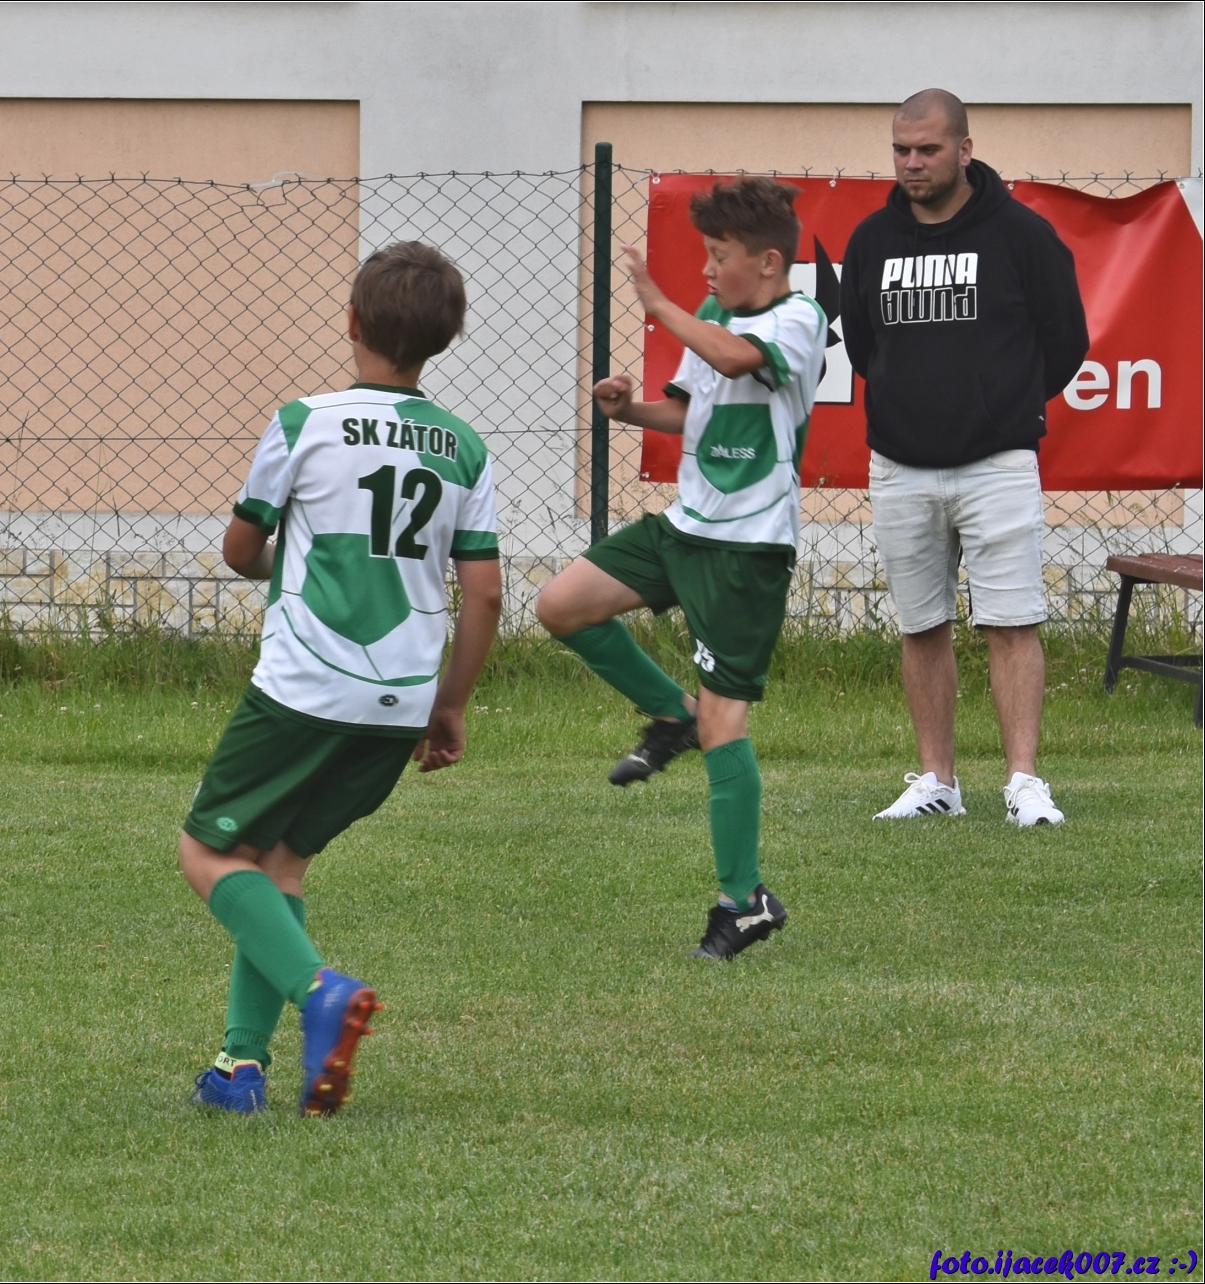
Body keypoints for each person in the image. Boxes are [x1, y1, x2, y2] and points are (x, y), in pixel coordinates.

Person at [179, 242, 502, 1115]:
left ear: (353, 321)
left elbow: (241, 549)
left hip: (305, 686)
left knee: (207, 851)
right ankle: (239, 1070)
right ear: (447, 338)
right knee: (279, 863)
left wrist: (286, 560)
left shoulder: (303, 422)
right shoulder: (465, 448)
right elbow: (484, 592)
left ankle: (320, 992)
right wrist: (451, 703)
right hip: (400, 700)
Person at [536, 177, 827, 961]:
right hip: (683, 527)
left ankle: (744, 903)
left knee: (728, 721)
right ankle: (674, 716)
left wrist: (654, 302)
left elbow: (736, 359)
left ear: (768, 263)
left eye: (719, 256)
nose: (706, 269)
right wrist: (626, 409)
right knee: (561, 605)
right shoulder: (711, 314)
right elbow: (692, 409)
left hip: (746, 549)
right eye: (705, 254)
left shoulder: (799, 319)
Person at [841, 89, 1088, 827]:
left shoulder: (1023, 235)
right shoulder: (870, 240)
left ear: (965, 150)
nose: (912, 162)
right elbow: (863, 346)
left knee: (1012, 622)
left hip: (997, 463)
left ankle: (1024, 783)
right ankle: (937, 782)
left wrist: (1001, 405)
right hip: (899, 466)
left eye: (929, 149)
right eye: (901, 150)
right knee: (921, 626)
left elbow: (1066, 341)